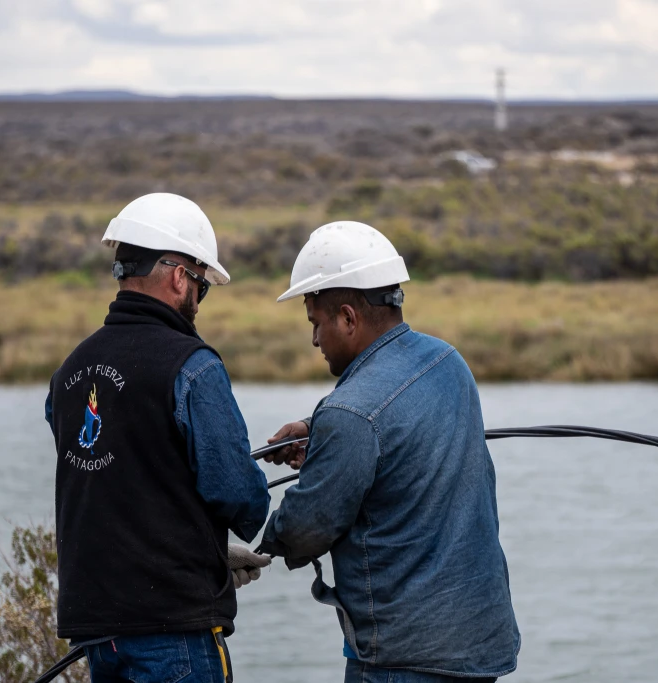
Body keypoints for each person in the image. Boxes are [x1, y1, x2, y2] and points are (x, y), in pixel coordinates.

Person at [259, 221, 520, 682]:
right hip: (479, 642)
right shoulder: (449, 361)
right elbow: (391, 413)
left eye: (316, 324)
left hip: (403, 660)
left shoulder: (351, 413)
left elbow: (307, 527)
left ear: (347, 317)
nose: (315, 340)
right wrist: (317, 430)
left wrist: (258, 549)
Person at [45, 193, 271, 683]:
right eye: (202, 283)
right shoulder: (192, 366)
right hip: (175, 630)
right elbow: (241, 497)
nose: (199, 296)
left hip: (98, 630)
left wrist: (205, 547)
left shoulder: (69, 372)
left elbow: (117, 478)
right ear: (177, 275)